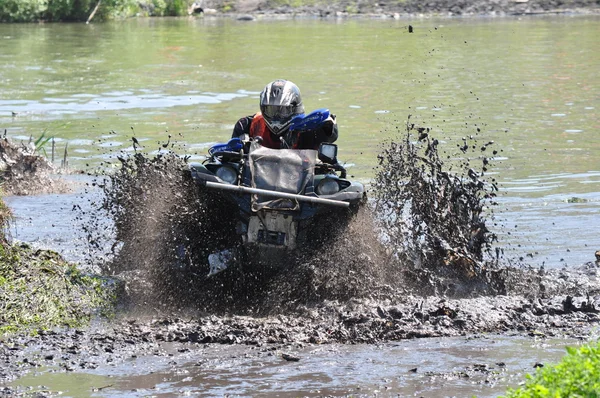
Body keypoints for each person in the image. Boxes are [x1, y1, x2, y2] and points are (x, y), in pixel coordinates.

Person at [232, 79, 338, 150]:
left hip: (301, 178)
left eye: (283, 111)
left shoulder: (310, 128)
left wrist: (328, 126)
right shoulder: (246, 125)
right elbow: (230, 155)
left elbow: (330, 136)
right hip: (253, 176)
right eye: (270, 110)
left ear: (295, 108)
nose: (276, 116)